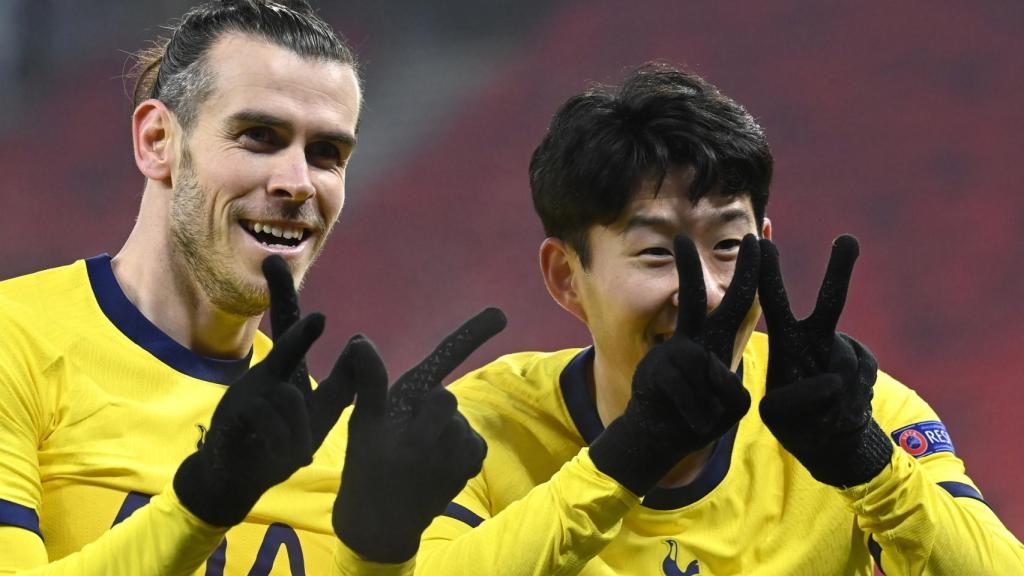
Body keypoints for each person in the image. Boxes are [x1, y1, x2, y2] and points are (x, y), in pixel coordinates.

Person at [392, 65, 1024, 574]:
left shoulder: (857, 412)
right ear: (566, 276)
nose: (709, 293)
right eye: (656, 253)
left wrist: (867, 464)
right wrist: (631, 455)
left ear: (765, 248)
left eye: (728, 246)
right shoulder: (475, 431)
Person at [0, 1, 502, 574]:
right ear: (158, 141)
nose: (297, 183)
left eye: (327, 154)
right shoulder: (15, 342)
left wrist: (380, 556)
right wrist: (201, 507)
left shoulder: (320, 438)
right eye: (259, 136)